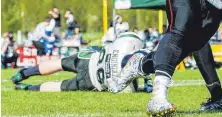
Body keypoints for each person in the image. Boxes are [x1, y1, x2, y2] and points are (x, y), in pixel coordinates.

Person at [11, 32, 148, 92]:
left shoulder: (127, 43)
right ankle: (27, 88)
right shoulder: (130, 73)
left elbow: (119, 40)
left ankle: (24, 73)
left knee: (59, 63)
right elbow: (127, 89)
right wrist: (143, 87)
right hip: (92, 81)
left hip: (89, 59)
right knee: (60, 86)